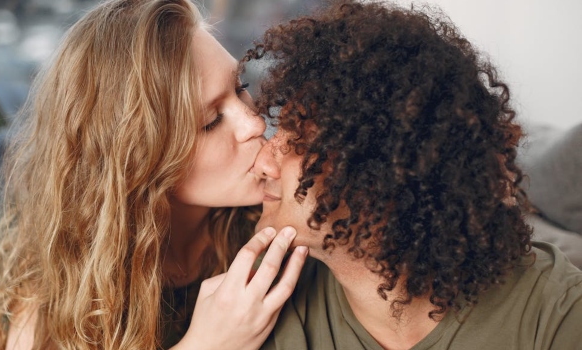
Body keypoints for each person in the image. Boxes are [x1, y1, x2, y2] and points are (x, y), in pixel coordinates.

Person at [0, 0, 309, 349]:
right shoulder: (60, 288)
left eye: (240, 88)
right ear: (137, 162)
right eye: (210, 122)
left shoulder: (286, 218)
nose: (254, 122)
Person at [245, 1, 582, 349]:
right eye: (277, 133)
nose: (262, 162)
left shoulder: (558, 316)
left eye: (298, 140)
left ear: (382, 173)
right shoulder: (252, 305)